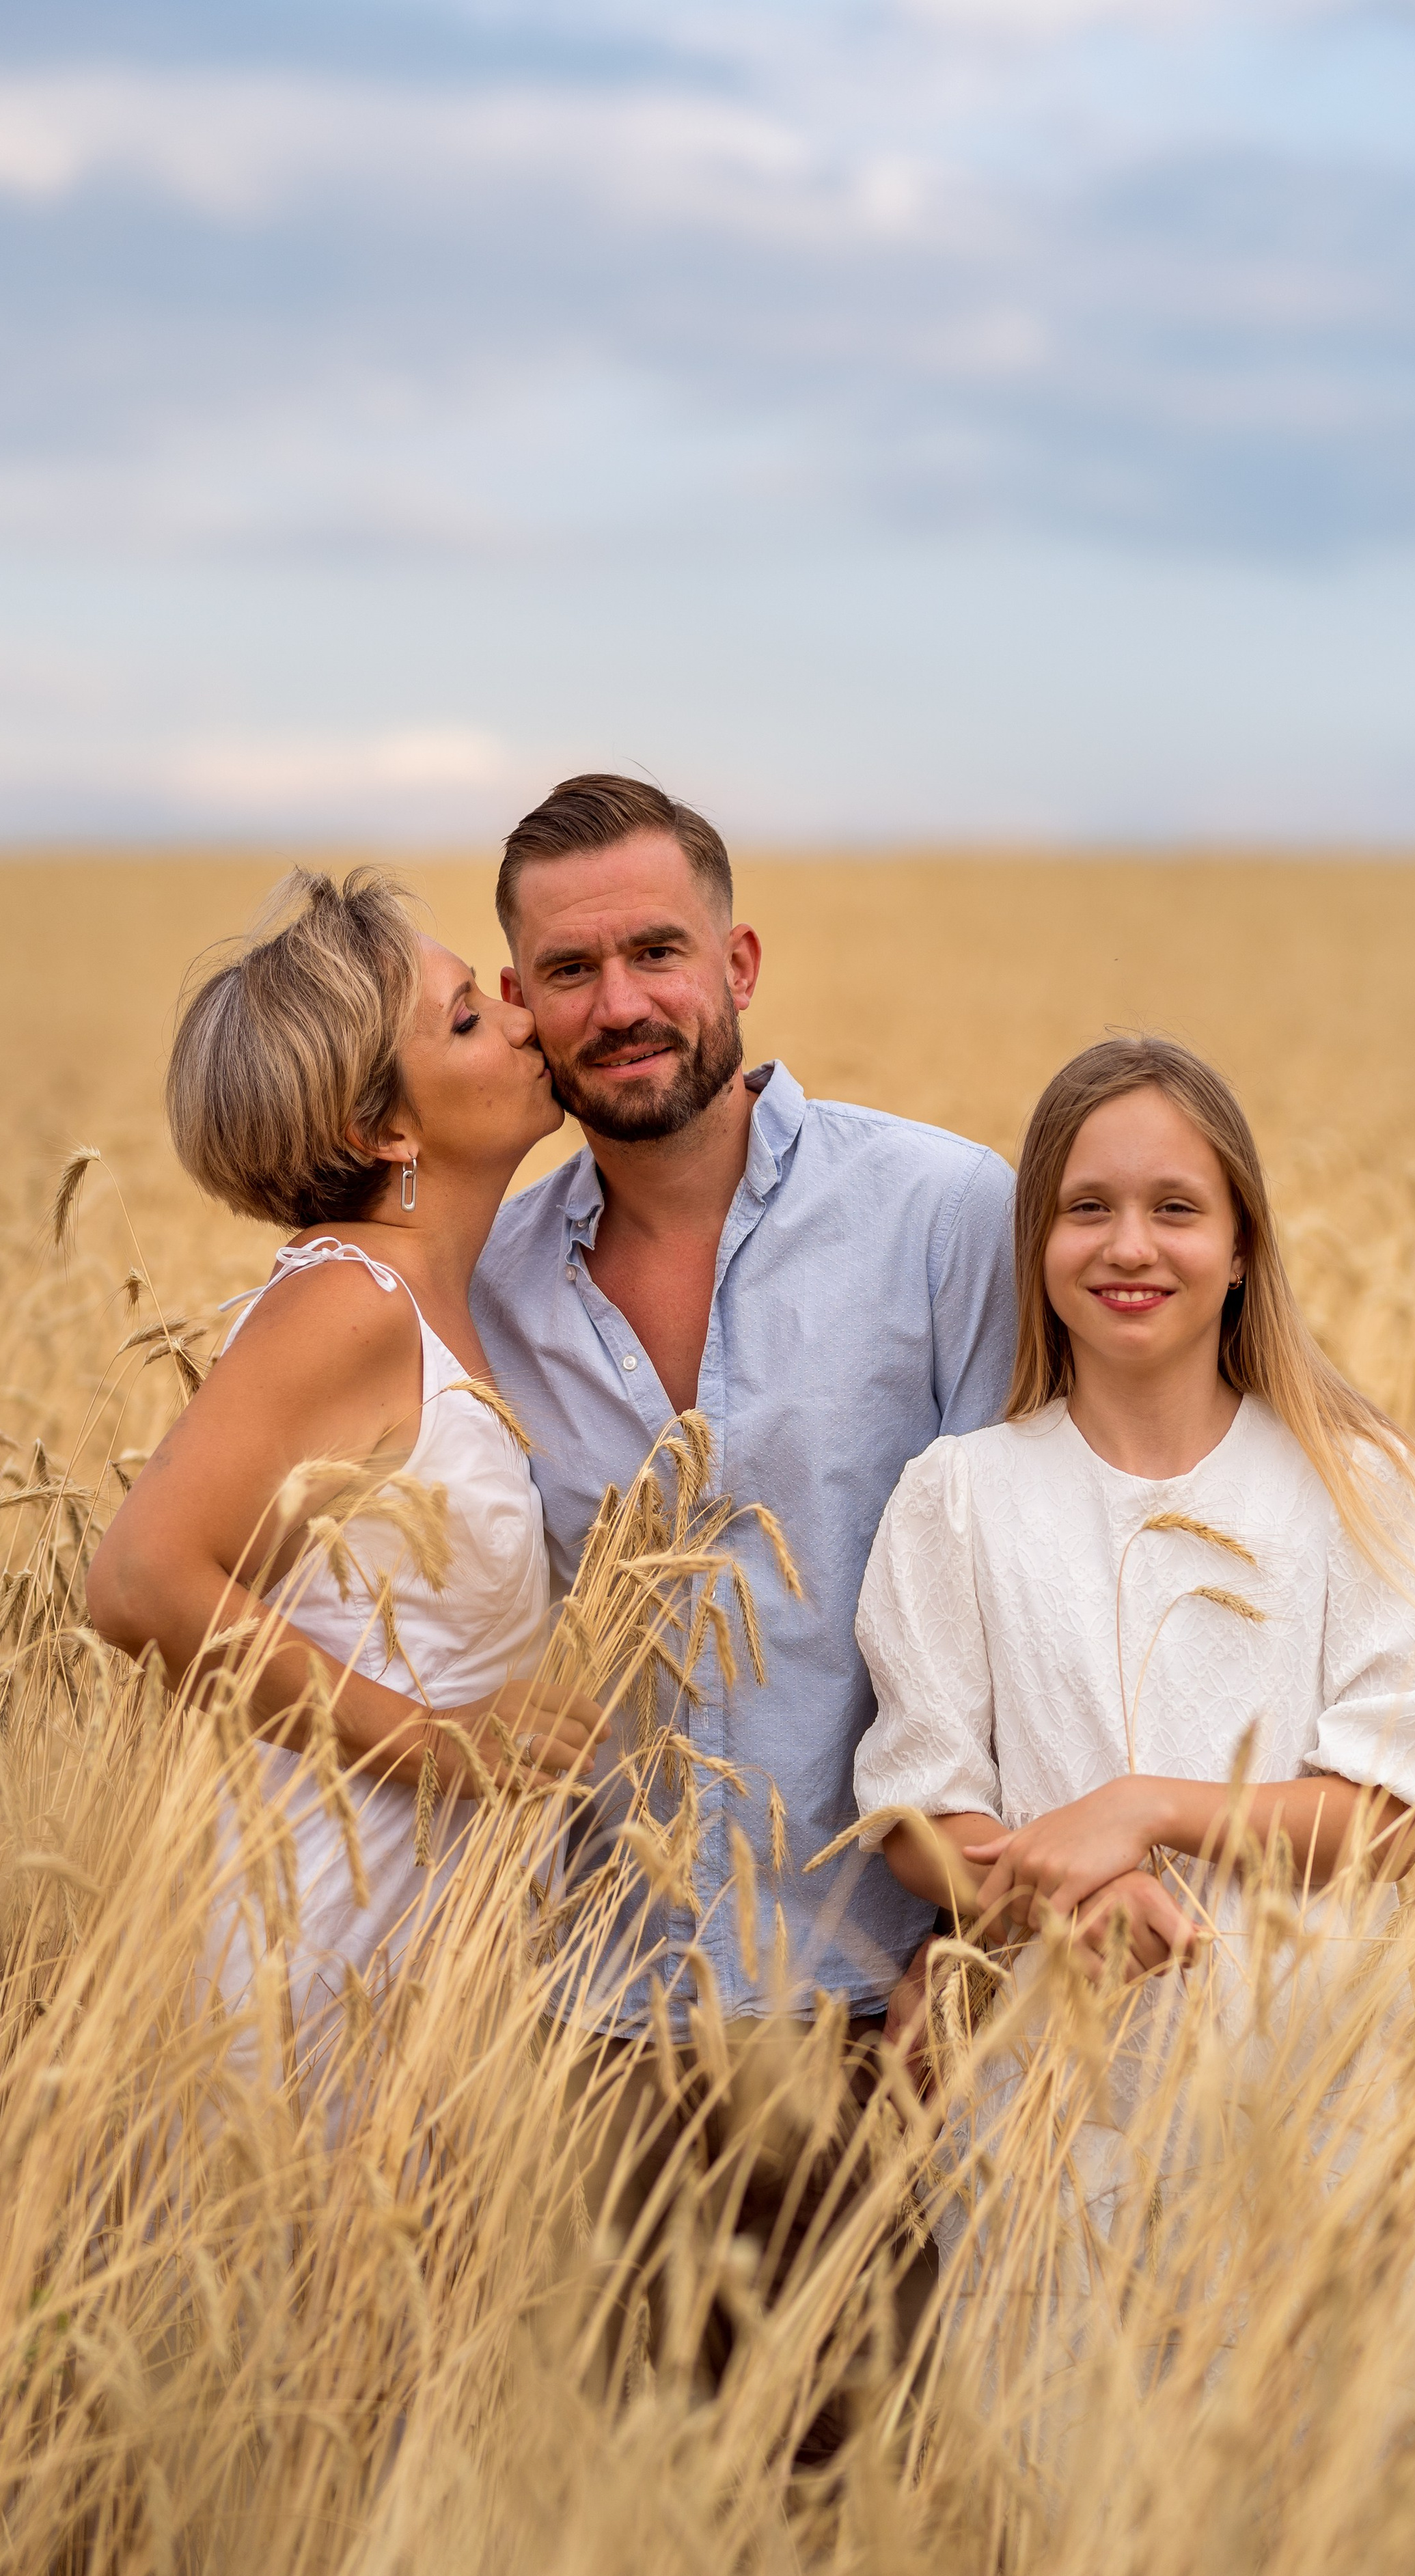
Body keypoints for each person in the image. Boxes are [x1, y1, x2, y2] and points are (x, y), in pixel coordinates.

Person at [468, 773, 1018, 2412]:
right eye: (570, 972)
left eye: (657, 951)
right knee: (663, 2532)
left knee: (927, 2510)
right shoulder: (485, 1290)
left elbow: (1036, 1583)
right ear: (519, 1006)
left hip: (895, 2016)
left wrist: (980, 1957)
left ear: (740, 961)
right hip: (601, 2033)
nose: (621, 1003)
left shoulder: (942, 1213)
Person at [853, 1034, 1415, 2262]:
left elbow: (1403, 1815)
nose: (1130, 1246)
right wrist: (1063, 1904)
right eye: (1086, 1208)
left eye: (1177, 1209)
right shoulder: (961, 1495)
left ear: (1244, 1245)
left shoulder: (1355, 1486)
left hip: (1315, 2110)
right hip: (1050, 2099)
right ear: (1037, 1247)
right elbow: (917, 1818)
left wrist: (1148, 1810)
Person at [86, 868, 605, 2107]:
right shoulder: (348, 1302)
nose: (526, 1017)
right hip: (325, 1929)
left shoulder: (436, 1299)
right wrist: (435, 1746)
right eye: (471, 1017)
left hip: (425, 1924)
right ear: (385, 1131)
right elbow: (138, 1577)